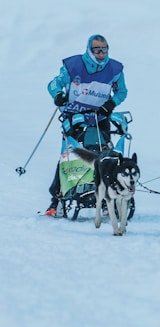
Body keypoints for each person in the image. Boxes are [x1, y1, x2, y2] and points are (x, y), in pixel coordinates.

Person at [45, 34, 128, 216]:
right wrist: (58, 95)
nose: (100, 53)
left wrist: (111, 104)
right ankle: (57, 200)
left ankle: (108, 197)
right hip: (74, 117)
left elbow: (122, 91)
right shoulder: (74, 65)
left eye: (104, 49)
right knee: (71, 155)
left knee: (104, 154)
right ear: (89, 50)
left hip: (100, 117)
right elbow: (53, 84)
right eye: (96, 49)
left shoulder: (115, 68)